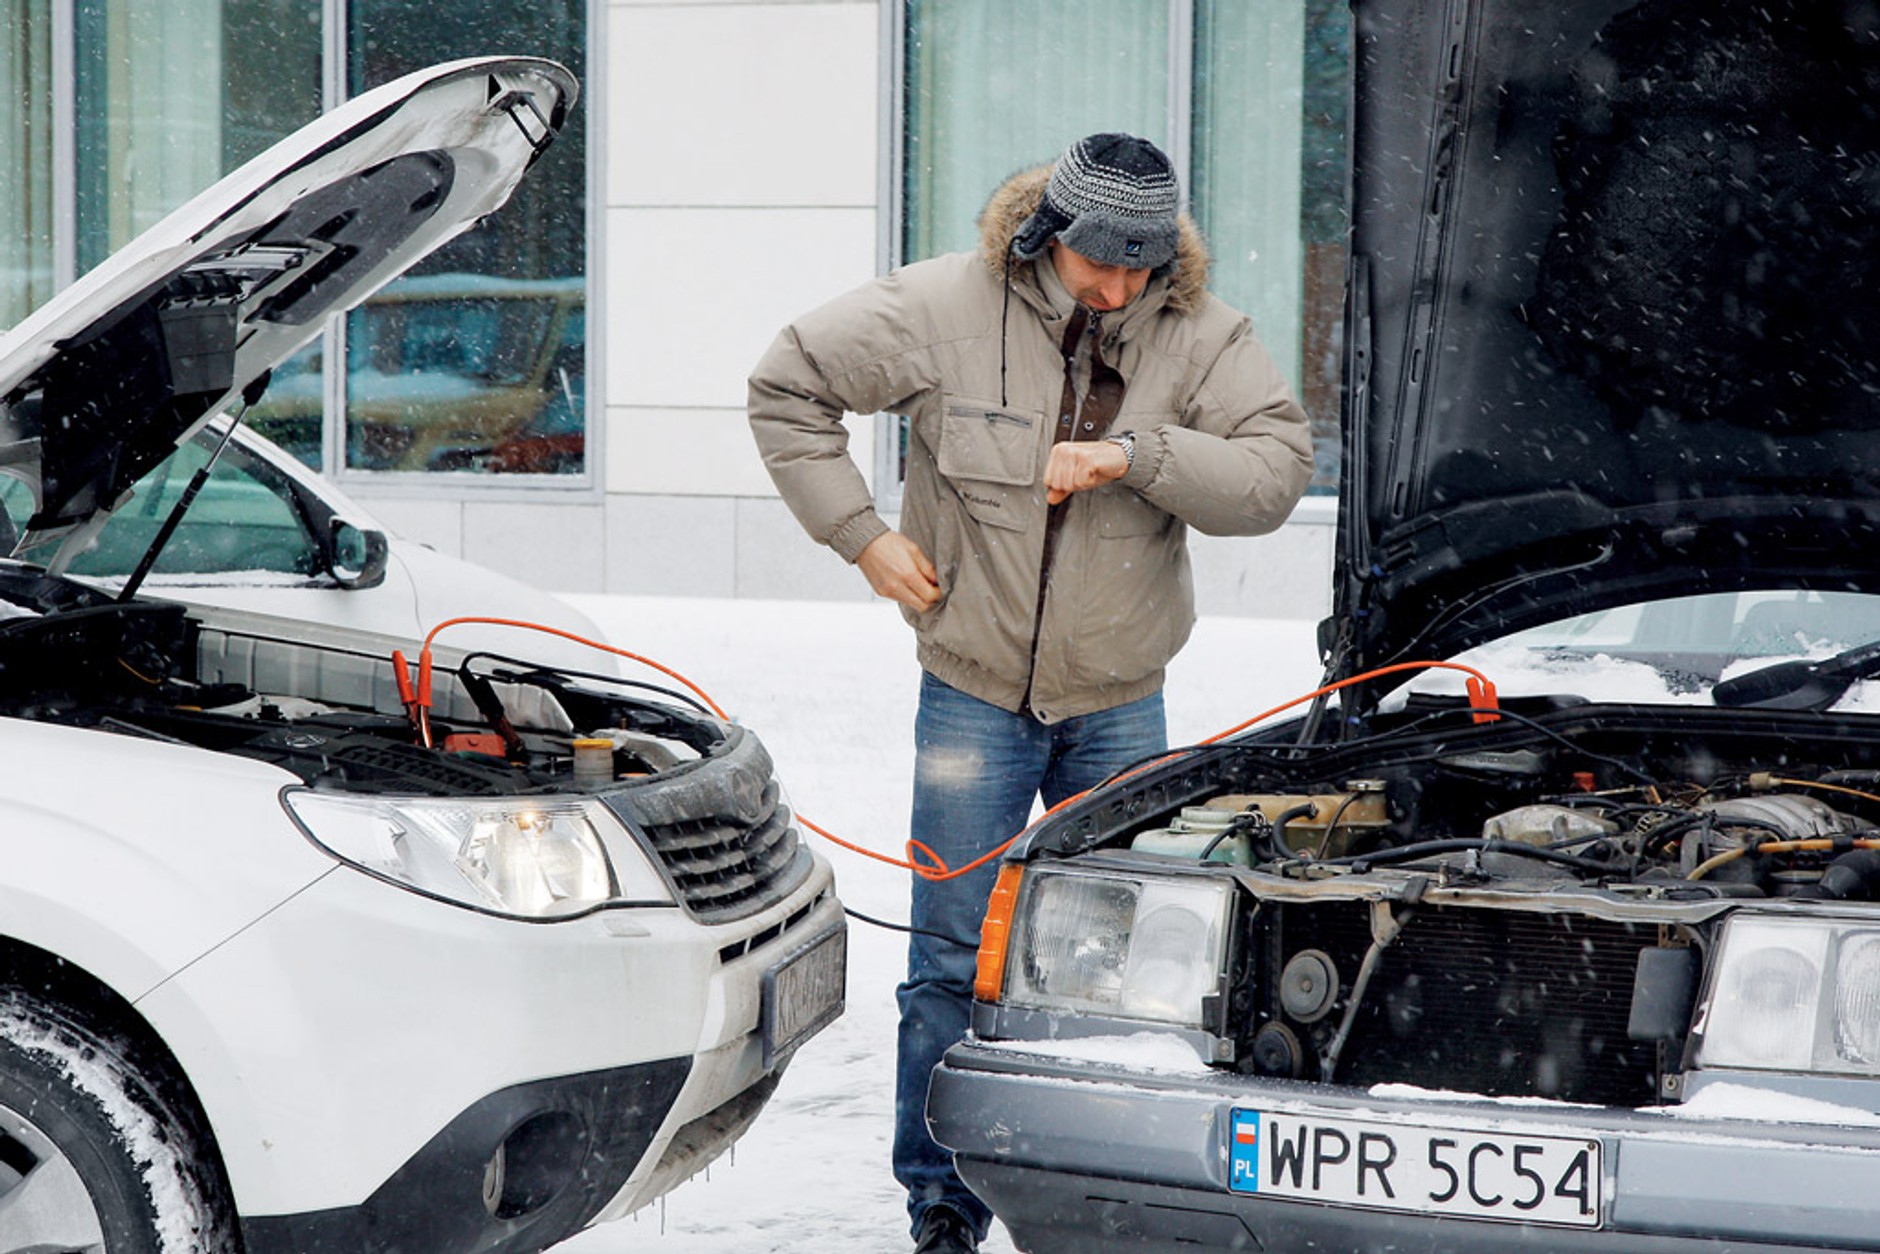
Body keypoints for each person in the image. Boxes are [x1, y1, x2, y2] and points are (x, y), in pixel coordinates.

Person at [747, 132, 1313, 1254]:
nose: (1118, 289)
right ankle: (941, 1208)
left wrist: (1136, 454)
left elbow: (1274, 473)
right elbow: (786, 387)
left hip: (1118, 707)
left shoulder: (1203, 338)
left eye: (1141, 267)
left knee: (1126, 966)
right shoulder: (938, 308)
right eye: (1099, 262)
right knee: (949, 963)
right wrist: (859, 537)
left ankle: (1098, 1192)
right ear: (1048, 235)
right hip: (969, 701)